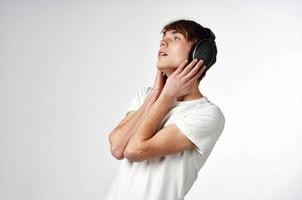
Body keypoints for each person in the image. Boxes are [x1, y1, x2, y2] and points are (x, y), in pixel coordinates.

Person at [105, 19, 225, 200]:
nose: (163, 42)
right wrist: (155, 96)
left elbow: (134, 150)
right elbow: (117, 148)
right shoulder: (145, 95)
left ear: (200, 54)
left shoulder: (206, 114)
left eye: (176, 38)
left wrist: (166, 97)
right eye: (164, 37)